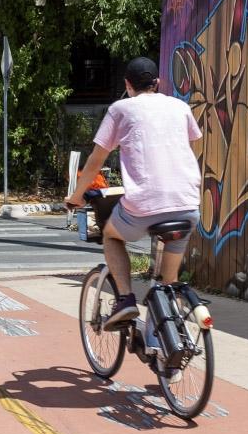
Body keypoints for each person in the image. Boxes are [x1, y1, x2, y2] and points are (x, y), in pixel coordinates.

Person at [66, 57, 202, 329]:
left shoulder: (120, 109)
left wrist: (76, 196)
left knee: (111, 235)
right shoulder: (180, 107)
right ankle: (173, 336)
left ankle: (126, 299)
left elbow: (96, 160)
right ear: (157, 83)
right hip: (187, 205)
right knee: (169, 282)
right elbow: (190, 147)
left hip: (144, 205)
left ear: (128, 85)